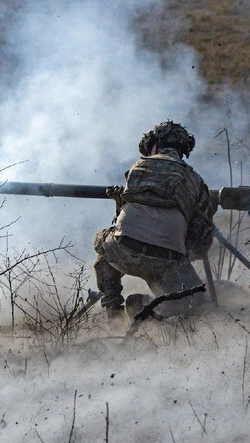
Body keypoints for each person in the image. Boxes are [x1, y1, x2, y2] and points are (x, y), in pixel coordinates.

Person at [93, 121, 217, 320]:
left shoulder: (136, 168)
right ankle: (148, 307)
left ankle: (113, 310)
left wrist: (119, 204)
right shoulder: (196, 180)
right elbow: (201, 241)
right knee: (195, 301)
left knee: (102, 241)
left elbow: (124, 224)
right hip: (167, 260)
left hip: (124, 251)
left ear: (154, 146)